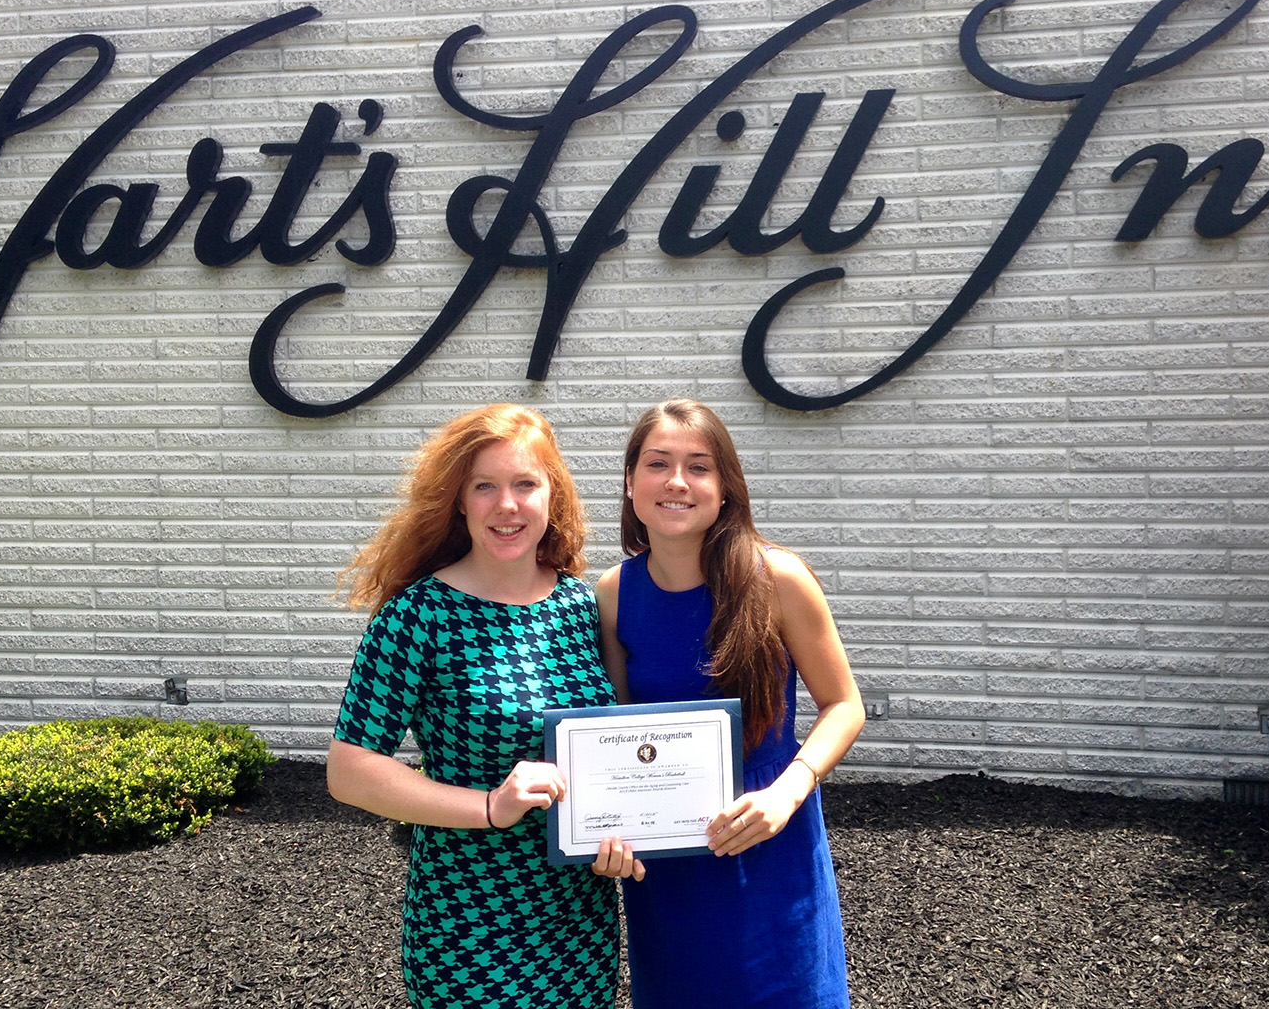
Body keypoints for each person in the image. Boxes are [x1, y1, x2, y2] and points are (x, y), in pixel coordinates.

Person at [325, 403, 633, 1009]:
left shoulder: (581, 607)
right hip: (468, 923)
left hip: (578, 920)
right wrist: (491, 806)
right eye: (484, 486)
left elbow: (613, 747)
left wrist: (622, 829)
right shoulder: (418, 616)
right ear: (459, 501)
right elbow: (350, 769)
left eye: (526, 484)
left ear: (552, 496)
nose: (507, 505)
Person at [592, 398, 865, 1009]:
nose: (677, 482)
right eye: (658, 463)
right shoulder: (612, 594)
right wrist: (606, 831)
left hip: (770, 838)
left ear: (725, 489)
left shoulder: (780, 579)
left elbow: (844, 704)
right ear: (632, 484)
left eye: (699, 466)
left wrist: (787, 792)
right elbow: (615, 735)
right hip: (670, 861)